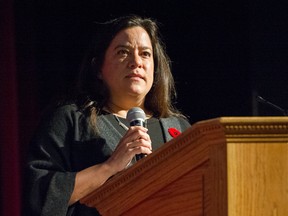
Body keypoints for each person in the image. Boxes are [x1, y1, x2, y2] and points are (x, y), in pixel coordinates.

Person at [23, 14, 191, 215]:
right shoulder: (71, 120)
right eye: (123, 52)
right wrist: (109, 167)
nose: (136, 62)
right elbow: (39, 196)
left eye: (145, 54)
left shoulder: (178, 127)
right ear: (98, 68)